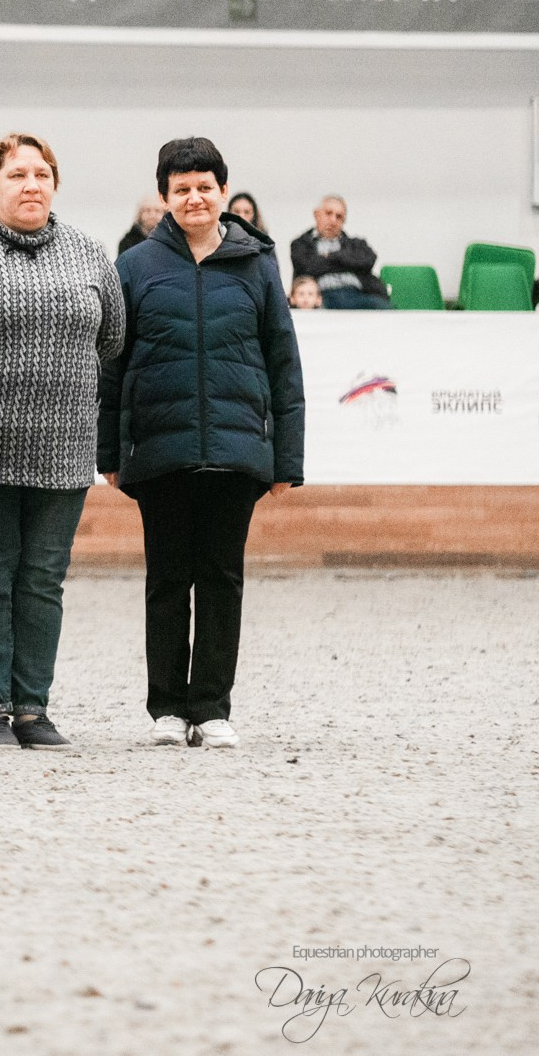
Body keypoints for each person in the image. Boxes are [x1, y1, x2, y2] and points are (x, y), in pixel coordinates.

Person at [100, 138, 304, 750]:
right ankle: (166, 708)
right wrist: (109, 453)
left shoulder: (258, 265)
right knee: (166, 580)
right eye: (181, 187)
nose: (194, 197)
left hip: (237, 453)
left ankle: (212, 705)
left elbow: (282, 364)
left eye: (205, 186)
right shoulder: (134, 268)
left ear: (222, 193)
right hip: (160, 453)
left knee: (221, 577)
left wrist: (286, 458)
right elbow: (111, 366)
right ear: (164, 196)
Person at [0, 133, 124, 751]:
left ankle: (33, 709)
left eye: (41, 174)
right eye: (16, 175)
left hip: (64, 455)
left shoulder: (92, 256)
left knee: (42, 581)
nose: (30, 184)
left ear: (55, 184)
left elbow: (111, 342)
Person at [289, 196, 390, 309]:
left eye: (339, 217)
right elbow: (307, 267)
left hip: (359, 294)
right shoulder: (300, 244)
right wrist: (347, 261)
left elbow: (368, 260)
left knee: (386, 309)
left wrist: (328, 257)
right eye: (328, 213)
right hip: (321, 297)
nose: (333, 220)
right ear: (316, 214)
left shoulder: (356, 244)